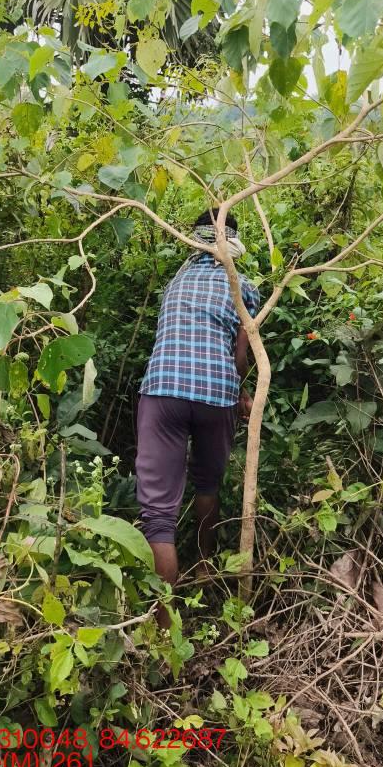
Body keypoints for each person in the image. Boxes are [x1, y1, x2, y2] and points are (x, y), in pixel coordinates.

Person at [135, 210, 260, 627]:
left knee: (158, 514)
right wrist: (241, 393)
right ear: (232, 245)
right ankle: (205, 565)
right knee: (208, 482)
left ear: (195, 242)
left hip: (164, 390)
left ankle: (163, 627)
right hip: (216, 394)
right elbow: (240, 358)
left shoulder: (176, 282)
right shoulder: (243, 287)